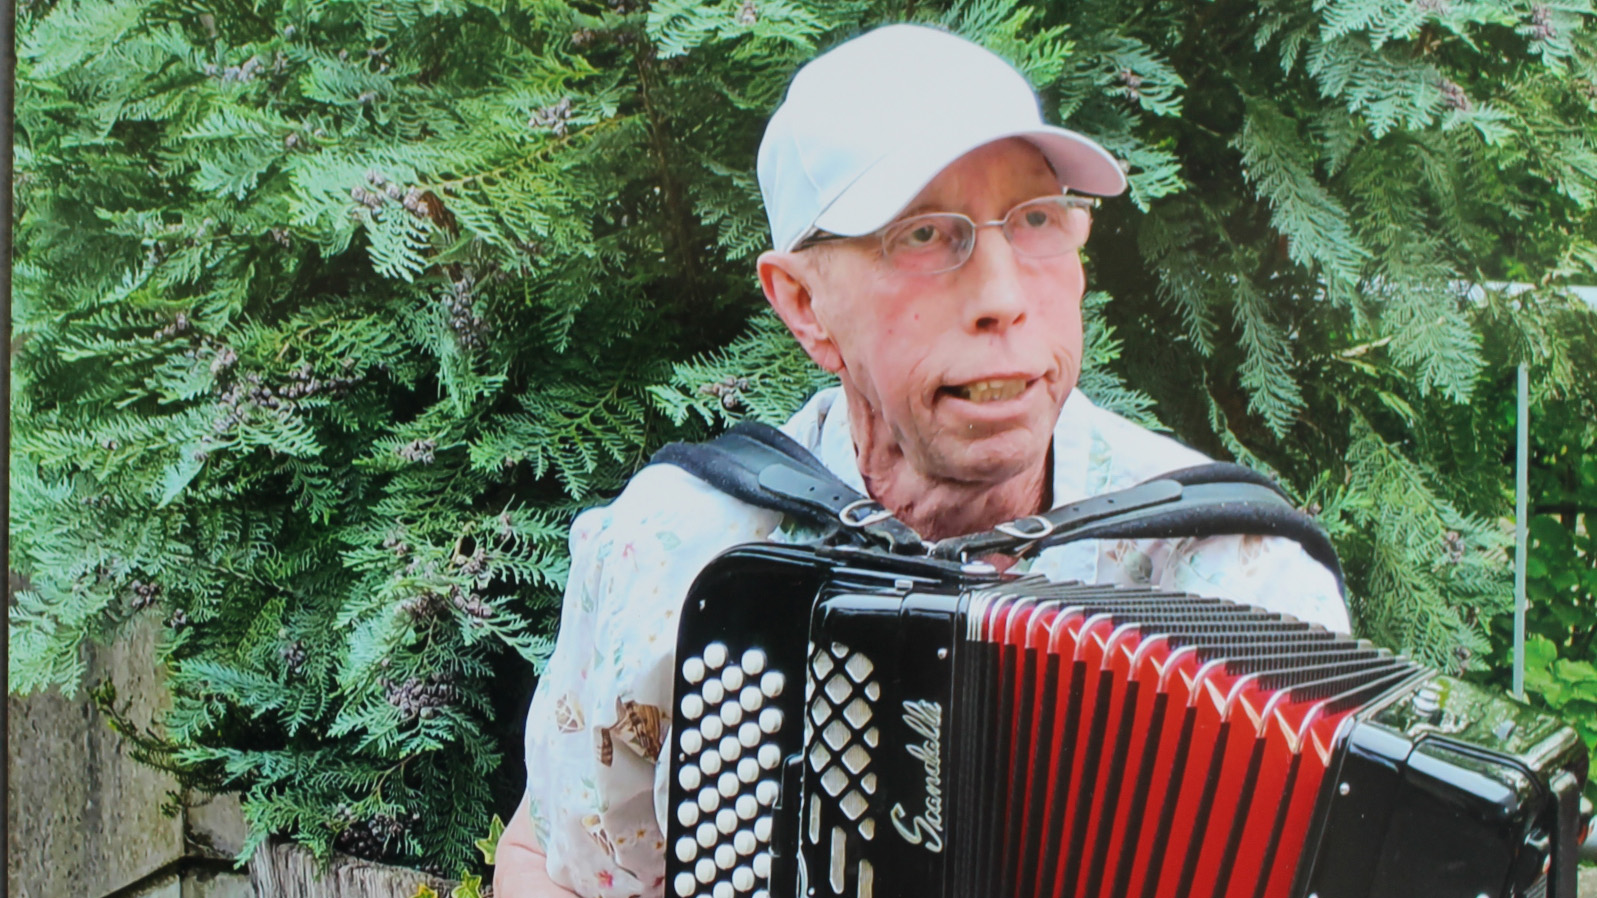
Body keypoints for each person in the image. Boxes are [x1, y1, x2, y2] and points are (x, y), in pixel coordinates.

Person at [494, 23, 1350, 898]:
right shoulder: (674, 550)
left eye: (1037, 221)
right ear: (803, 304)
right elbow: (550, 861)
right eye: (924, 235)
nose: (1003, 298)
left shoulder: (1236, 578)